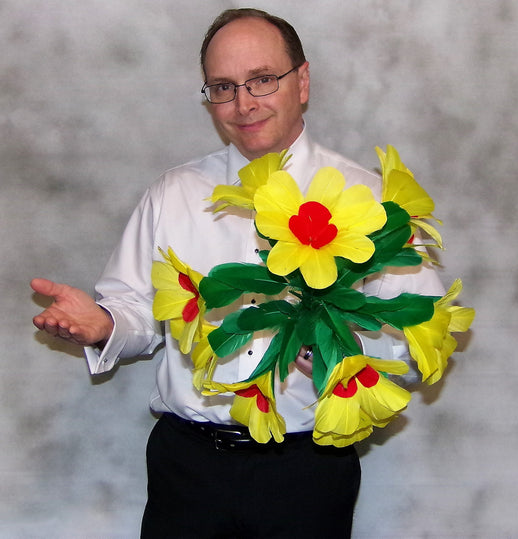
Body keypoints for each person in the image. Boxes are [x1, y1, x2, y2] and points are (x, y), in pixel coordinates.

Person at [31, 8, 444, 538]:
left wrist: (334, 350)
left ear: (303, 82)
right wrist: (107, 323)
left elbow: (419, 339)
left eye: (262, 80)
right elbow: (140, 310)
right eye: (222, 87)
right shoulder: (174, 193)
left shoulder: (373, 198)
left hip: (307, 471)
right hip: (187, 467)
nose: (243, 103)